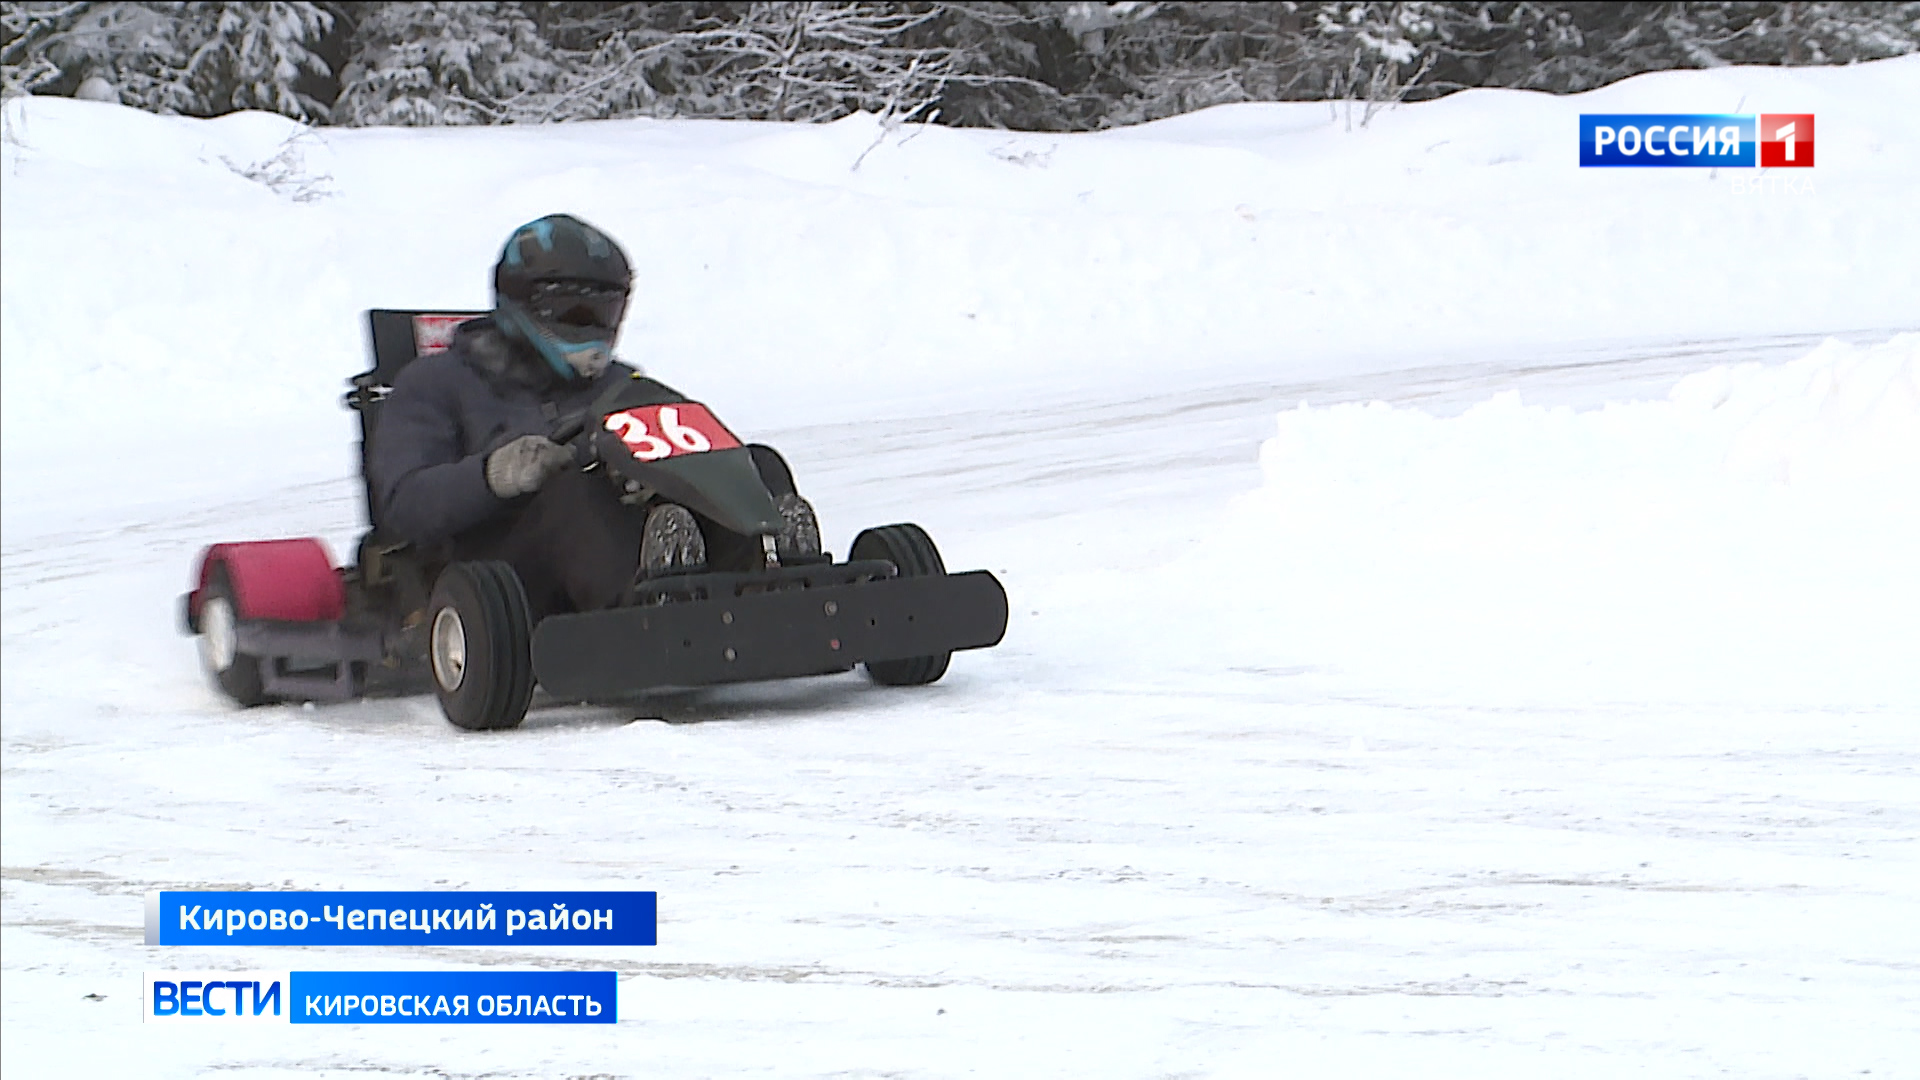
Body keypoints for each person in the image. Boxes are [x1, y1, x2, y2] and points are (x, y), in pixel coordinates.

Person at [368, 213, 818, 618]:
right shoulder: (435, 383)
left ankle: (773, 580)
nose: (593, 327)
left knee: (754, 462)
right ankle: (652, 607)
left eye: (606, 311)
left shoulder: (622, 383)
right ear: (523, 303)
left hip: (624, 537)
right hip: (495, 578)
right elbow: (402, 509)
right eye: (577, 312)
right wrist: (494, 475)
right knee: (573, 491)